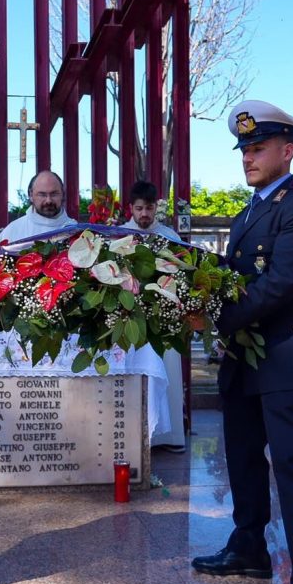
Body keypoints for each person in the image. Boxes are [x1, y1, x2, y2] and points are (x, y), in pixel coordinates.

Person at [190, 100, 293, 584]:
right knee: (243, 459)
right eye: (244, 151)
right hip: (245, 360)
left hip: (284, 358)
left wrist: (216, 315)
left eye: (257, 149)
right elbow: (235, 276)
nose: (248, 159)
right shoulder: (247, 212)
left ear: (287, 150)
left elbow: (281, 283)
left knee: (292, 470)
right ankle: (248, 546)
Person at [122, 181, 186, 453]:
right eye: (139, 208)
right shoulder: (118, 235)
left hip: (164, 316)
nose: (144, 214)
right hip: (131, 316)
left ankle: (170, 437)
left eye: (149, 208)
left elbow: (183, 271)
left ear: (156, 207)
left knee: (169, 372)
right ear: (131, 209)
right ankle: (134, 437)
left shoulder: (169, 235)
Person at [0, 170, 76, 244]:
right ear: (31, 195)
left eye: (54, 194)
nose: (48, 200)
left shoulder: (76, 232)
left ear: (62, 194)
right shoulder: (12, 231)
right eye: (42, 194)